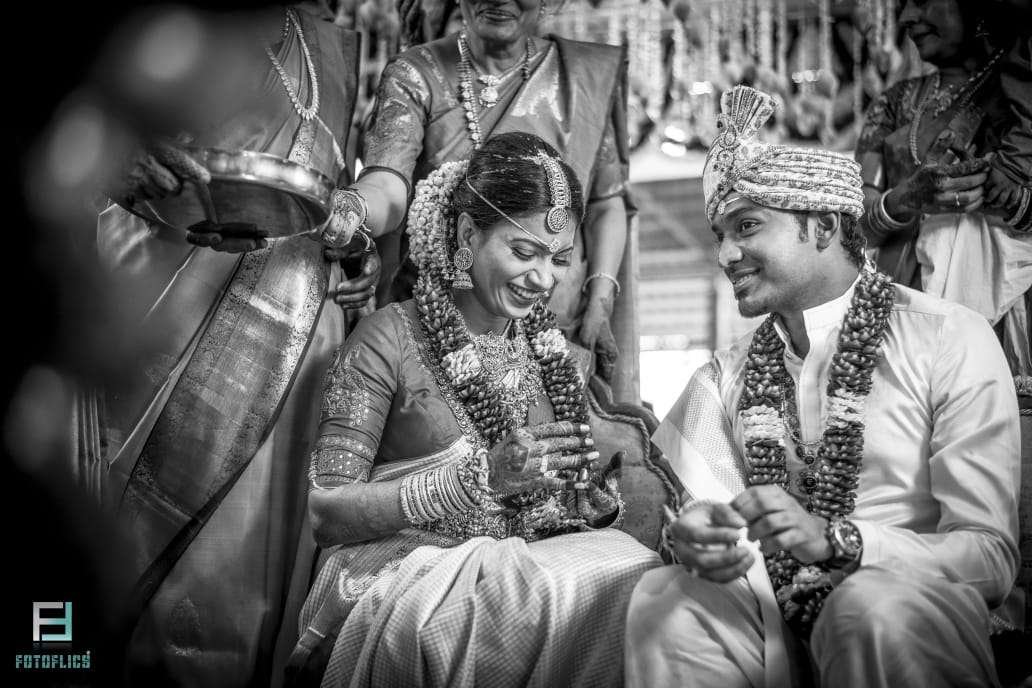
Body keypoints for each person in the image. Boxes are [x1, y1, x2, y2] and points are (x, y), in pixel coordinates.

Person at [624, 86, 1021, 687]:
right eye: (719, 236)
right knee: (665, 600)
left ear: (824, 226)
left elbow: (989, 558)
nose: (726, 255)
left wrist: (839, 542)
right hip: (773, 615)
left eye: (747, 226)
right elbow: (695, 510)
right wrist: (695, 540)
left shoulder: (945, 337)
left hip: (909, 608)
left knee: (864, 608)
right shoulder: (725, 376)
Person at [288, 132, 660, 687]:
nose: (544, 279)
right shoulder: (388, 338)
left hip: (522, 569)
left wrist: (584, 500)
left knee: (637, 571)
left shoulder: (550, 354)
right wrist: (476, 481)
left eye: (559, 259)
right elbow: (327, 514)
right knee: (547, 591)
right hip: (405, 571)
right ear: (467, 234)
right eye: (524, 252)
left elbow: (545, 508)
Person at [96, 3, 378, 685]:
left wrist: (358, 250)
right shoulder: (157, 25)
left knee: (262, 561)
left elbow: (336, 196)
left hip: (297, 339)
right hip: (164, 316)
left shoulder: (330, 46)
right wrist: (112, 159)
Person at [329, 0, 635, 393]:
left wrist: (600, 299)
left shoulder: (586, 76)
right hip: (434, 323)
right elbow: (388, 184)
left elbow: (606, 203)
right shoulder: (417, 73)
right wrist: (353, 210)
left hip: (554, 326)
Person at [856, 0, 1032, 375]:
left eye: (921, 0)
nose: (906, 18)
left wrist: (1009, 199)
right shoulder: (895, 102)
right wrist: (905, 199)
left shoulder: (1021, 98)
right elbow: (852, 227)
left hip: (1010, 303)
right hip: (902, 308)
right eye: (903, 5)